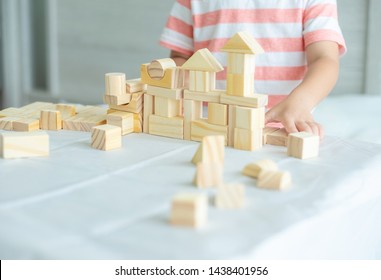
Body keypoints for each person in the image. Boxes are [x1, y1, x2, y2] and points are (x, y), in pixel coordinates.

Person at [159, 0, 346, 138]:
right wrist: (176, 77)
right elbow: (181, 58)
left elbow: (325, 59)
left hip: (282, 125)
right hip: (207, 123)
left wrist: (302, 102)